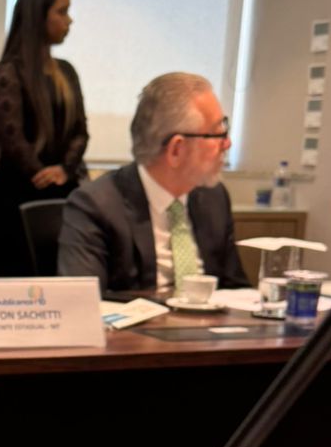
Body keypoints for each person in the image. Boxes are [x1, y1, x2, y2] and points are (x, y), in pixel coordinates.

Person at [57, 71, 247, 297]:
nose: (227, 143)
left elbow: (236, 291)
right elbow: (83, 302)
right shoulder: (96, 205)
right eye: (217, 134)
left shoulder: (214, 198)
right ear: (176, 149)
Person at [0, 0, 89, 275]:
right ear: (38, 16)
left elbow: (80, 132)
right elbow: (12, 139)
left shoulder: (66, 72)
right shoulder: (8, 72)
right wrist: (43, 173)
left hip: (64, 194)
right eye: (62, 11)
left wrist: (63, 171)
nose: (69, 20)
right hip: (15, 197)